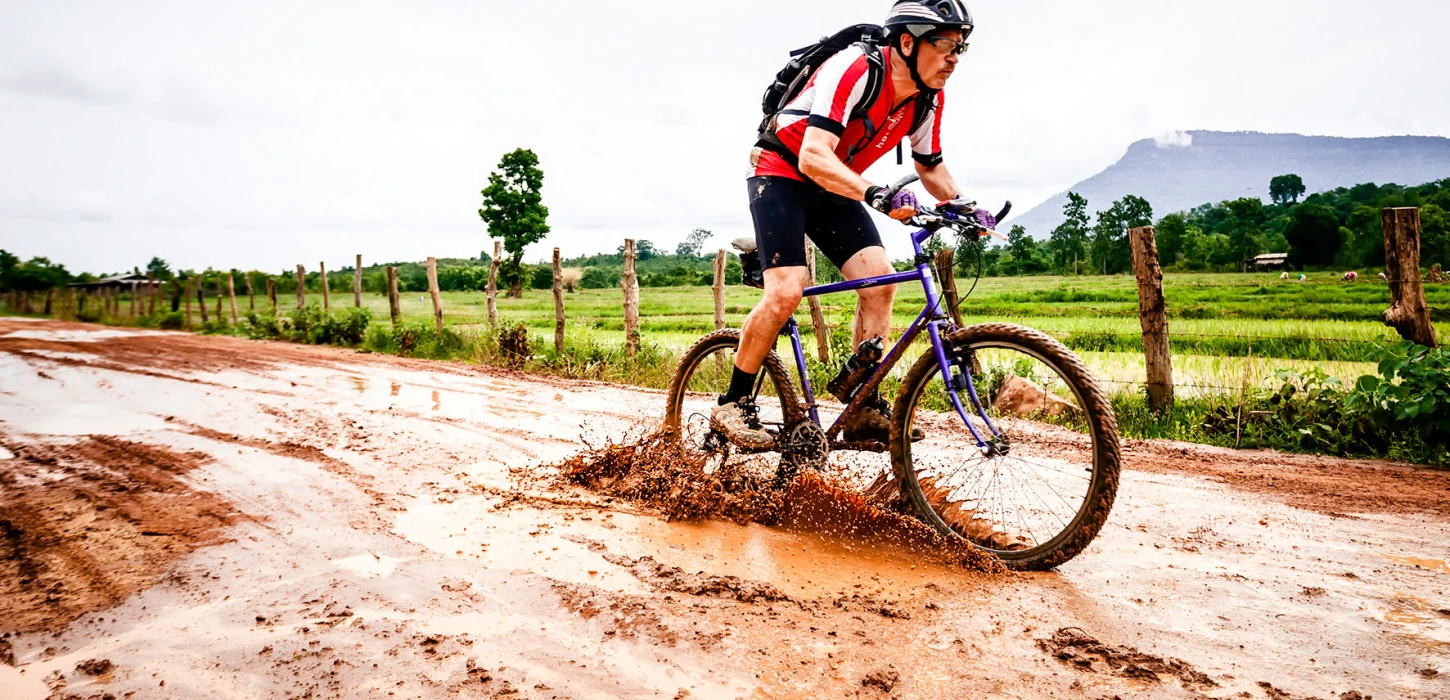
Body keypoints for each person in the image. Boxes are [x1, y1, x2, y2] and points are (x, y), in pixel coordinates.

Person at [714, 0, 991, 448]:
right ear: (907, 41)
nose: (954, 58)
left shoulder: (926, 98)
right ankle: (733, 402)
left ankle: (862, 407)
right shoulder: (856, 68)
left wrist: (966, 206)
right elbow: (813, 154)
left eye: (962, 46)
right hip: (781, 171)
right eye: (945, 44)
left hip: (835, 183)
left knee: (880, 283)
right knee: (786, 291)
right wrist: (876, 194)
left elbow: (931, 168)